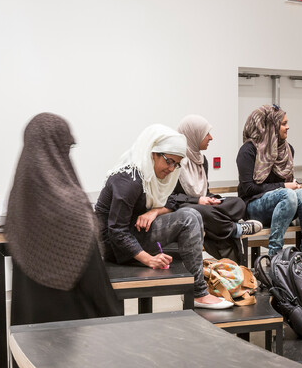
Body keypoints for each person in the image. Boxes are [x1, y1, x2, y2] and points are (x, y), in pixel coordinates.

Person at [6, 112, 124, 368]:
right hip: (75, 339)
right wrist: (119, 321)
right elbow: (94, 284)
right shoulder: (71, 206)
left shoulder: (19, 204)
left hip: (28, 334)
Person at [95, 123, 232, 309]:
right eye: (169, 161)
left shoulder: (151, 175)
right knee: (189, 217)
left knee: (191, 214)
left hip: (134, 233)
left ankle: (197, 290)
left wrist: (154, 211)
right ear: (153, 153)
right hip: (114, 247)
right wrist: (149, 259)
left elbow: (174, 199)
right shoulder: (129, 180)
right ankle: (199, 293)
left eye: (176, 164)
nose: (171, 168)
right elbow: (116, 231)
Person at [167, 114, 262, 263]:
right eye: (206, 134)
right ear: (194, 135)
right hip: (182, 208)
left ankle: (221, 225)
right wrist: (197, 200)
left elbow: (204, 190)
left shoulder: (201, 160)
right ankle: (234, 229)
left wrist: (211, 199)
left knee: (238, 203)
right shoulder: (175, 161)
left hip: (204, 207)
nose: (210, 138)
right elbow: (169, 198)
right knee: (197, 211)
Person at [236, 104, 302, 256]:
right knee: (287, 194)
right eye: (284, 124)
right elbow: (249, 189)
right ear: (271, 127)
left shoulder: (287, 149)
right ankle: (275, 254)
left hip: (285, 204)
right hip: (253, 207)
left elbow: (287, 184)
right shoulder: (248, 150)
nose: (288, 127)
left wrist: (292, 186)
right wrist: (284, 186)